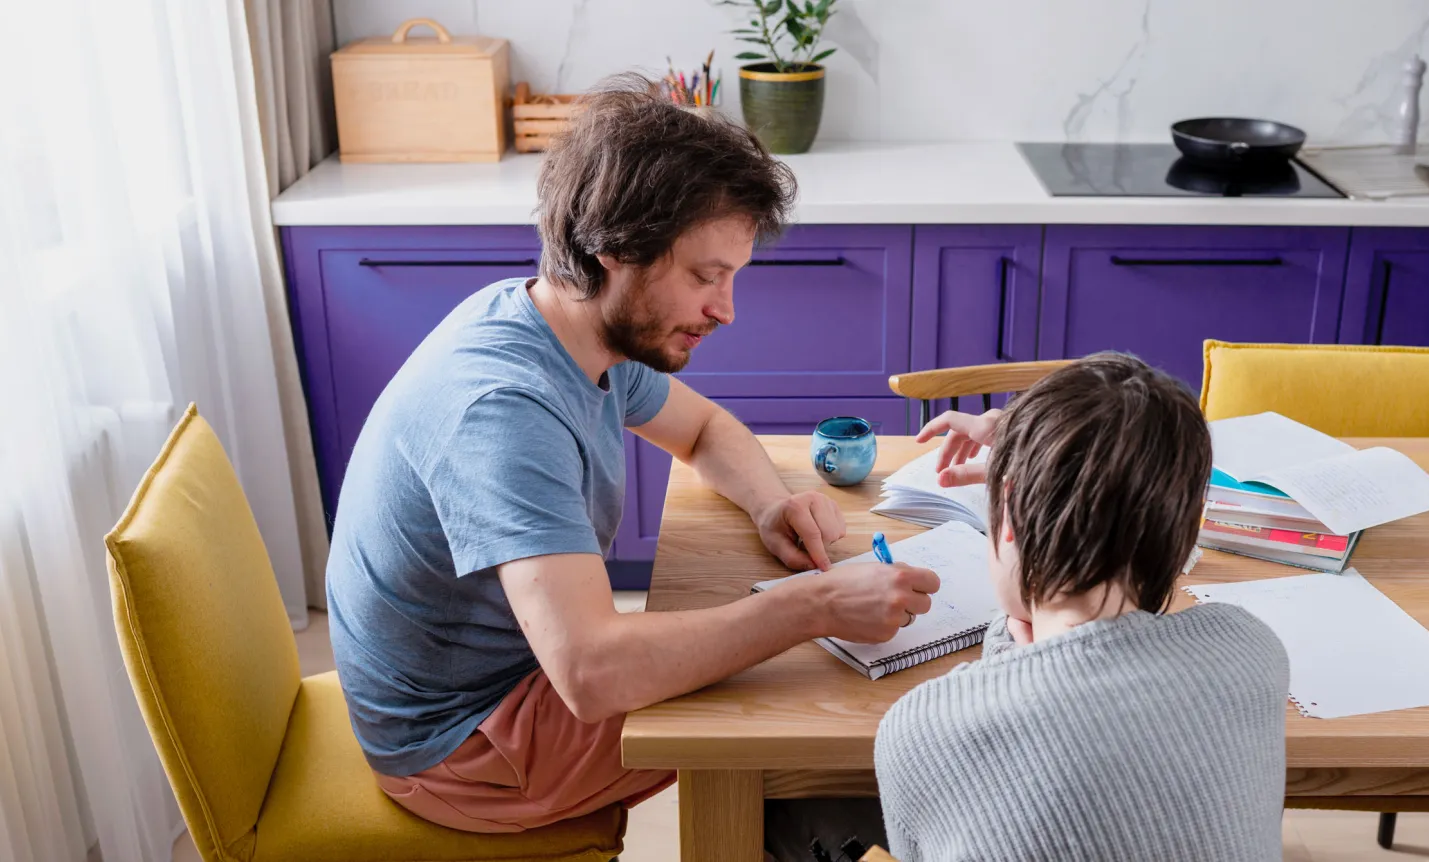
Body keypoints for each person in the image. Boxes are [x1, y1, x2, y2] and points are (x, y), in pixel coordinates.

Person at [325, 73, 940, 836]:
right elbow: (591, 671)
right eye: (705, 277)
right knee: (829, 705)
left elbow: (706, 430)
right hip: (466, 750)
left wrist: (769, 502)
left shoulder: (572, 333)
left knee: (803, 671)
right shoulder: (503, 408)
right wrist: (812, 605)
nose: (726, 310)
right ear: (616, 248)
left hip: (513, 683)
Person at [873, 353, 1290, 861]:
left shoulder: (922, 728)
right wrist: (1040, 461)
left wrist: (1033, 466)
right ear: (1186, 532)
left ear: (1008, 520)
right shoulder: (1251, 648)